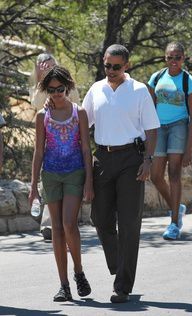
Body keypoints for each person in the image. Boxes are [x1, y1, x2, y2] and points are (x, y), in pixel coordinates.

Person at [83, 44, 159, 303]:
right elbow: (83, 123)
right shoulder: (96, 89)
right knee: (100, 217)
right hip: (102, 157)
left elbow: (151, 129)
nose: (111, 70)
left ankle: (122, 286)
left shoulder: (139, 91)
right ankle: (118, 262)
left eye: (116, 66)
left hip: (131, 159)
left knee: (128, 223)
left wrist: (148, 160)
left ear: (127, 65)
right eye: (107, 65)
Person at [28, 65, 93, 302]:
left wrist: (89, 182)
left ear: (68, 87)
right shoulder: (42, 116)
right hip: (51, 174)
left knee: (69, 224)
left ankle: (79, 271)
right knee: (55, 228)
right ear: (46, 90)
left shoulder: (79, 112)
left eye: (61, 88)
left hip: (75, 172)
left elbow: (86, 149)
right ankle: (64, 285)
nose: (57, 93)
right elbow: (38, 151)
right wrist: (33, 185)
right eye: (52, 89)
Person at [147, 42, 192, 240]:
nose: (174, 61)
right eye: (170, 57)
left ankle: (174, 222)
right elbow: (149, 108)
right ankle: (178, 207)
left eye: (177, 57)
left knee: (174, 174)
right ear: (165, 58)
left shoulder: (189, 82)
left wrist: (189, 149)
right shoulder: (157, 77)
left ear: (183, 58)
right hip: (159, 128)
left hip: (179, 126)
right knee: (155, 175)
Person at [29, 53, 80, 241]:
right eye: (43, 66)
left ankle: (51, 225)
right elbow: (36, 103)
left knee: (63, 186)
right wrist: (42, 80)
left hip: (68, 143)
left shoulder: (67, 85)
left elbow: (75, 105)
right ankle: (49, 224)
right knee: (49, 183)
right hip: (48, 140)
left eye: (50, 65)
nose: (47, 68)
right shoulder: (40, 88)